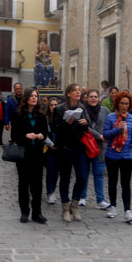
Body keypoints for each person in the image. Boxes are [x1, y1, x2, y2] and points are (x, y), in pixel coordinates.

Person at [11, 88, 48, 224]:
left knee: (37, 185)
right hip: (23, 155)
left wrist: (41, 135)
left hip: (37, 154)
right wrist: (26, 136)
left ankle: (37, 213)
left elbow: (45, 132)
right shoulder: (18, 115)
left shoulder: (41, 115)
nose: (34, 98)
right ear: (26, 98)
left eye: (36, 96)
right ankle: (24, 212)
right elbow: (14, 136)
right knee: (24, 184)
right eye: (32, 96)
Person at [52, 83, 88, 223]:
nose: (78, 92)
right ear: (68, 94)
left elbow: (88, 128)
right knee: (65, 177)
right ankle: (65, 208)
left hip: (79, 147)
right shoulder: (60, 109)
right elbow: (55, 128)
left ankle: (75, 205)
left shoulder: (82, 107)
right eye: (75, 90)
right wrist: (66, 123)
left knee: (83, 176)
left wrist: (85, 123)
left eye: (79, 90)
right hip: (65, 147)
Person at [103, 91, 132, 222]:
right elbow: (106, 135)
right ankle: (112, 206)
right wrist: (117, 129)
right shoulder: (110, 118)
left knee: (126, 183)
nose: (124, 106)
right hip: (112, 155)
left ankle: (127, 210)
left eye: (127, 104)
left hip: (127, 155)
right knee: (112, 182)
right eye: (122, 103)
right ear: (117, 104)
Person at [80, 89, 110, 209]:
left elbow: (110, 124)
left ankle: (100, 200)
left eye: (95, 97)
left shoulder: (105, 111)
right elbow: (84, 127)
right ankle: (82, 197)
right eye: (91, 96)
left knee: (98, 173)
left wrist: (108, 135)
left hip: (100, 148)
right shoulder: (82, 111)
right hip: (86, 146)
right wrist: (99, 136)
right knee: (84, 173)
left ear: (99, 99)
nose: (93, 99)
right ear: (86, 98)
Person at [44, 97, 60, 204]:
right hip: (48, 149)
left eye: (55, 105)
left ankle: (53, 191)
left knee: (56, 172)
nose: (54, 107)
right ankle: (49, 192)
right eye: (52, 105)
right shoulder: (45, 119)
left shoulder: (61, 118)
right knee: (50, 170)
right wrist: (51, 144)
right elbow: (44, 134)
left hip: (59, 149)